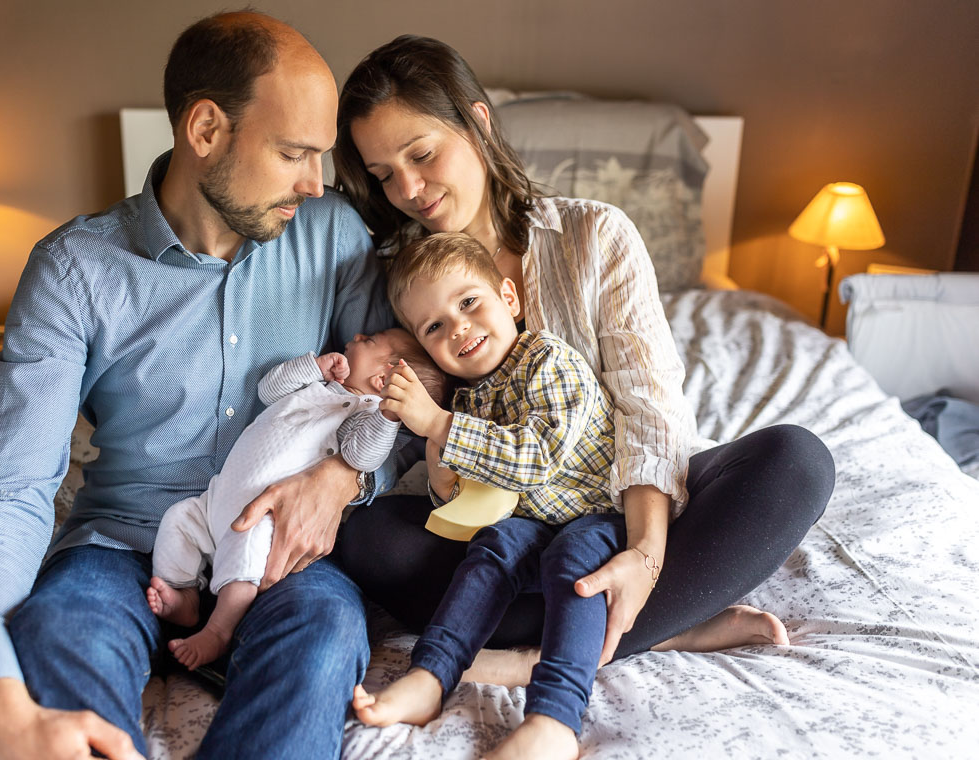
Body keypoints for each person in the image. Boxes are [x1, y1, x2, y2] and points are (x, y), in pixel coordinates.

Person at [0, 12, 398, 760]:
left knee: (325, 635)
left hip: (272, 551)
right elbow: (9, 487)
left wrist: (342, 477)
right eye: (292, 153)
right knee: (51, 631)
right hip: (122, 545)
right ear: (206, 129)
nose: (315, 183)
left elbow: (398, 405)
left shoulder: (334, 233)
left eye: (321, 157)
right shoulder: (76, 268)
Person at [332, 34, 836, 715]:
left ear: (478, 123)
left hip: (613, 505)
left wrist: (647, 557)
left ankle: (546, 653)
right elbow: (393, 443)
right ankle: (664, 626)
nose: (409, 190)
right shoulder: (394, 280)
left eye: (421, 154)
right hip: (501, 530)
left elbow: (651, 413)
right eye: (385, 174)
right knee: (365, 537)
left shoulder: (595, 236)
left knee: (795, 461)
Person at [352, 232, 635, 758]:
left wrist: (439, 423)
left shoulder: (550, 360)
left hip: (595, 513)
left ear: (510, 298)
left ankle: (554, 719)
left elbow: (534, 458)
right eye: (434, 326)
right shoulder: (467, 398)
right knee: (491, 549)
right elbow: (469, 504)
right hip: (531, 521)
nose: (458, 327)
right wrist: (441, 480)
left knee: (573, 562)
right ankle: (431, 676)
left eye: (468, 302)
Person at [147, 328, 447, 671]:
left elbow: (362, 458)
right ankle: (183, 593)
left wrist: (388, 416)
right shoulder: (318, 386)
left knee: (245, 561)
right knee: (179, 520)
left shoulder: (362, 415)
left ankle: (218, 630)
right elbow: (267, 389)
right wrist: (313, 367)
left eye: (370, 341)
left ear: (383, 379)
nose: (359, 334)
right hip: (218, 497)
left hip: (264, 513)